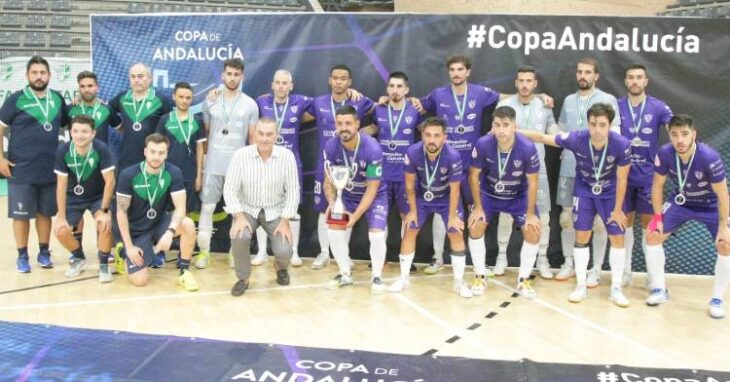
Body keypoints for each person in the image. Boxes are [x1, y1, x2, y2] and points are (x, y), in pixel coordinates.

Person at [417, 55, 551, 275]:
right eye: (452, 70)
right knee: (443, 208)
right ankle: (437, 258)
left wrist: (537, 96)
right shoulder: (438, 94)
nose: (456, 73)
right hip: (444, 162)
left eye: (460, 69)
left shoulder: (480, 93)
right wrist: (386, 100)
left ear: (468, 72)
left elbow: (508, 96)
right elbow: (414, 106)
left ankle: (478, 263)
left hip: (472, 164)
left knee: (475, 214)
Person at [523, 103, 631, 306]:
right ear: (587, 124)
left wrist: (617, 209)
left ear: (610, 125)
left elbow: (623, 178)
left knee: (617, 237)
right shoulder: (577, 138)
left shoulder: (622, 144)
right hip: (584, 190)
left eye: (602, 125)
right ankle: (581, 285)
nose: (597, 130)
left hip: (609, 192)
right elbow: (542, 137)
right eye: (593, 124)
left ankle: (616, 288)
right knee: (581, 235)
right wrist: (514, 131)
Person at [645, 115, 730, 319]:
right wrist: (657, 217)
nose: (680, 140)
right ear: (670, 136)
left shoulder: (709, 157)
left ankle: (717, 299)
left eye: (684, 134)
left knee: (726, 244)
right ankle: (659, 290)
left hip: (710, 205)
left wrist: (723, 226)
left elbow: (723, 194)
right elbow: (657, 186)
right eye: (674, 135)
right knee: (652, 235)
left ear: (694, 134)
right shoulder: (665, 153)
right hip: (681, 202)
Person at [554, 57, 621, 286]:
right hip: (570, 168)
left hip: (600, 171)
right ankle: (569, 263)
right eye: (580, 72)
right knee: (567, 218)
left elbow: (616, 131)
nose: (583, 76)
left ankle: (596, 268)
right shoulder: (569, 100)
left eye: (588, 72)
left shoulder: (607, 99)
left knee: (601, 222)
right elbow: (560, 130)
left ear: (596, 76)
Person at [0, 55, 68, 272]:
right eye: (35, 73)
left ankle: (44, 252)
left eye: (43, 73)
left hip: (50, 168)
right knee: (21, 216)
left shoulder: (57, 99)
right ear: (27, 75)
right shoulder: (16, 99)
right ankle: (22, 256)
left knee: (45, 213)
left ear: (49, 75)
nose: (39, 77)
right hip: (20, 168)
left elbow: (68, 123)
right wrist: (0, 158)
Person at [389, 117, 468, 296]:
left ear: (444, 137)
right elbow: (409, 185)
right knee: (410, 228)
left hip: (446, 198)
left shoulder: (453, 156)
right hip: (421, 197)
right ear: (422, 136)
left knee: (455, 231)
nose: (432, 140)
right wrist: (412, 212)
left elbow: (455, 190)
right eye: (428, 135)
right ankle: (403, 278)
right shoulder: (412, 152)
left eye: (436, 136)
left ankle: (458, 282)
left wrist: (453, 216)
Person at [468, 106, 542, 298]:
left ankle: (523, 280)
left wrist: (532, 214)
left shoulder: (527, 148)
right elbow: (474, 177)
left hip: (518, 196)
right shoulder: (483, 144)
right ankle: (479, 276)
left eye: (506, 125)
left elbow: (533, 182)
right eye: (497, 125)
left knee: (533, 231)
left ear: (514, 126)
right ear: (492, 126)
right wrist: (477, 207)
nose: (501, 130)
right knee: (475, 226)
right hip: (490, 195)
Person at [224, 118, 300, 296]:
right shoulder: (240, 155)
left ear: (276, 135)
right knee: (240, 236)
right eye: (261, 133)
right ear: (254, 134)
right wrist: (239, 217)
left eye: (269, 134)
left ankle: (280, 267)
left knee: (284, 249)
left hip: (276, 211)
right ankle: (243, 278)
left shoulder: (287, 156)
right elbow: (229, 189)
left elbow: (293, 191)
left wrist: (285, 221)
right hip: (247, 209)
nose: (264, 138)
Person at [308, 64, 374, 270]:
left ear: (349, 82)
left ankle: (342, 255)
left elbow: (381, 110)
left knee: (345, 206)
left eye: (343, 78)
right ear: (329, 80)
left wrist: (366, 132)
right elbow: (291, 111)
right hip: (326, 163)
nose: (338, 81)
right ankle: (324, 253)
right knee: (324, 208)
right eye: (335, 78)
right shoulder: (318, 102)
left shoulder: (359, 101)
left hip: (351, 165)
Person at [495, 66, 558, 279]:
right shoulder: (504, 105)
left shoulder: (544, 105)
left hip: (537, 168)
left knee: (544, 216)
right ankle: (501, 256)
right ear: (515, 83)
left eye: (528, 81)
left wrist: (570, 139)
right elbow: (498, 132)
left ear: (535, 83)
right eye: (520, 80)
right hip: (508, 168)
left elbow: (553, 133)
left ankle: (542, 258)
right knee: (505, 214)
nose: (524, 85)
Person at [196, 58, 259, 269]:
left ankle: (234, 253)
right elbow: (206, 132)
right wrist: (203, 163)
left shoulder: (250, 104)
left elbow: (252, 139)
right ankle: (204, 253)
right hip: (213, 165)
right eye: (229, 74)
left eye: (236, 74)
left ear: (242, 76)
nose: (232, 78)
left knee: (237, 212)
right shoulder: (211, 100)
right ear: (223, 75)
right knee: (208, 207)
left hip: (238, 167)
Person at [115, 133, 199, 291]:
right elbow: (121, 213)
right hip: (136, 232)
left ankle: (185, 272)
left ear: (167, 153)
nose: (156, 157)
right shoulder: (129, 175)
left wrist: (170, 232)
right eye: (152, 152)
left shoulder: (173, 172)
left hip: (159, 224)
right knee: (140, 281)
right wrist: (130, 246)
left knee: (187, 224)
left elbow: (180, 207)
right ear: (145, 152)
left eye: (161, 153)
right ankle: (123, 251)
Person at [617, 64, 673, 286]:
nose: (635, 82)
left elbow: (674, 128)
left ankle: (653, 276)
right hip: (623, 176)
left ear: (646, 81)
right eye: (631, 77)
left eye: (639, 78)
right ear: (625, 81)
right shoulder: (617, 106)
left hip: (649, 177)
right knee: (624, 223)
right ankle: (626, 272)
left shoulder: (658, 107)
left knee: (650, 227)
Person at [252, 70, 314, 268]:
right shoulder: (261, 102)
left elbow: (326, 104)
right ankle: (262, 251)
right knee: (261, 206)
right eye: (277, 82)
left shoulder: (300, 102)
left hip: (291, 163)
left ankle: (294, 252)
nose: (281, 86)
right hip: (265, 161)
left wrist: (352, 92)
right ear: (272, 85)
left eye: (285, 83)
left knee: (292, 209)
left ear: (291, 85)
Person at [322, 105, 387, 293]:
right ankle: (344, 274)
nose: (344, 128)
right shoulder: (331, 146)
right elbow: (328, 182)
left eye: (348, 123)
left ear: (357, 124)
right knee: (334, 228)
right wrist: (333, 204)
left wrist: (355, 217)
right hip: (347, 195)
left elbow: (372, 188)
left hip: (373, 196)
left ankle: (376, 277)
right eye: (340, 123)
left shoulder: (372, 148)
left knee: (376, 233)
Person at [365, 71, 421, 268]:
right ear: (387, 89)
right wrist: (350, 135)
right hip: (381, 174)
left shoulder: (415, 110)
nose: (395, 90)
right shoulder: (379, 110)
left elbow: (428, 132)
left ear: (406, 90)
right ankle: (379, 258)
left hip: (406, 175)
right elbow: (371, 130)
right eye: (391, 86)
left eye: (399, 86)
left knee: (406, 216)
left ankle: (406, 259)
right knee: (379, 216)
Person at [54, 115, 115, 280]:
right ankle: (79, 257)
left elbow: (110, 181)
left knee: (104, 223)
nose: (80, 135)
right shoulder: (63, 151)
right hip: (73, 198)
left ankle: (103, 265)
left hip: (98, 196)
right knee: (62, 230)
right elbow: (60, 185)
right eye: (76, 131)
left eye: (84, 131)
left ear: (93, 133)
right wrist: (60, 216)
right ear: (70, 132)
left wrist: (104, 210)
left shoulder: (101, 149)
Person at [108, 62, 172, 173]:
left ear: (150, 78)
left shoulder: (161, 100)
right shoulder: (122, 97)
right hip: (126, 160)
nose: (136, 80)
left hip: (153, 161)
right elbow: (108, 109)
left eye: (140, 76)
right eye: (132, 77)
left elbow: (169, 129)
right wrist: (120, 126)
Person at [155, 82, 206, 214]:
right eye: (181, 97)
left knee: (186, 212)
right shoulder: (164, 120)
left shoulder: (197, 121)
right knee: (167, 212)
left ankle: (184, 235)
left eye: (188, 98)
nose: (184, 101)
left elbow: (200, 149)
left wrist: (199, 176)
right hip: (167, 172)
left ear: (192, 99)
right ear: (174, 97)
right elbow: (156, 148)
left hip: (189, 173)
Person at [67, 71, 121, 146]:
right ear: (79, 89)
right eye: (82, 86)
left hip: (102, 157)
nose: (86, 90)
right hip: (76, 157)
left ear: (97, 88)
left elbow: (122, 128)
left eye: (90, 86)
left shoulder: (106, 109)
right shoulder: (70, 109)